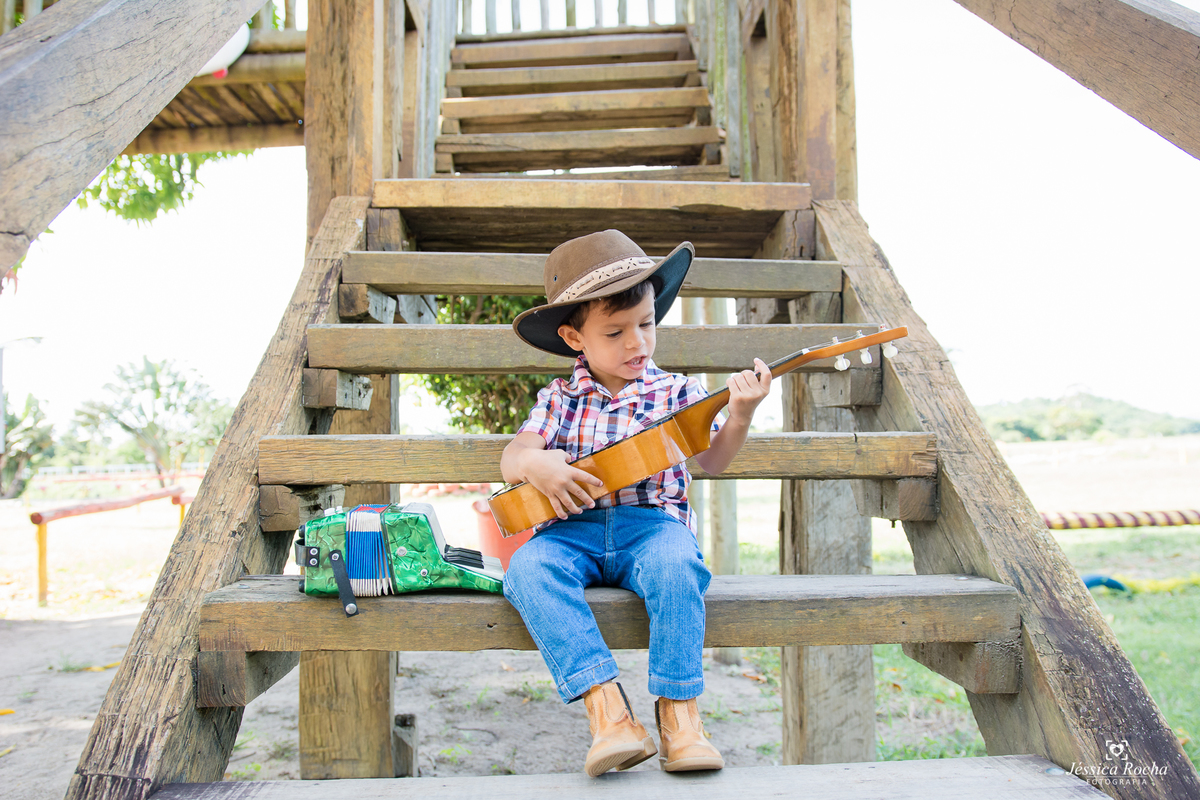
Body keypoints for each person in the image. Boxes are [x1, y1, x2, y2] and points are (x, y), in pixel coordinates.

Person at [499, 230, 772, 777]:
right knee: (527, 570)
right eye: (615, 332)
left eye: (646, 324)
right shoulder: (558, 398)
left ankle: (680, 720)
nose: (636, 344)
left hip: (652, 527)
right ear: (576, 338)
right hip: (568, 532)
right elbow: (514, 456)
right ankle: (610, 715)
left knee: (678, 567)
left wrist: (740, 412)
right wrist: (537, 464)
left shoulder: (676, 392)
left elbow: (712, 462)